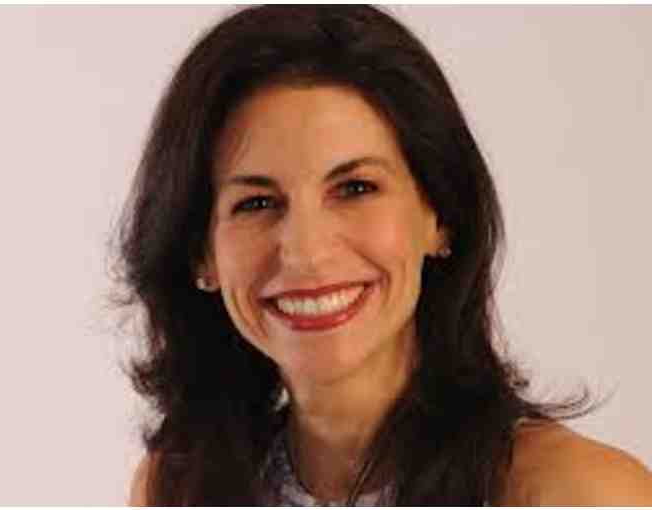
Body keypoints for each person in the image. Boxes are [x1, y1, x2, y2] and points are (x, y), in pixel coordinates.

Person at [114, 5, 652, 506]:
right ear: (200, 254)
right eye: (255, 202)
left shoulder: (576, 493)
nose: (306, 252)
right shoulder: (177, 489)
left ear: (439, 216)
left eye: (355, 189)